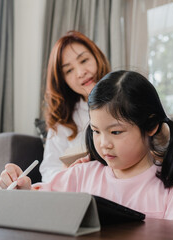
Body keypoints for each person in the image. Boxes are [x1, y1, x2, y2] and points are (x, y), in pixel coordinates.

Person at [0, 70, 173, 224]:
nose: (103, 143)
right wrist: (21, 190)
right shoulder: (80, 176)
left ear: (151, 126)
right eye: (96, 131)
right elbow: (38, 208)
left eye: (116, 132)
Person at [40, 30, 110, 182]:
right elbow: (49, 171)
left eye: (84, 60)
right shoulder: (63, 120)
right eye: (69, 70)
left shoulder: (130, 94)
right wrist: (67, 174)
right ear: (62, 80)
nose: (80, 73)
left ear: (97, 57)